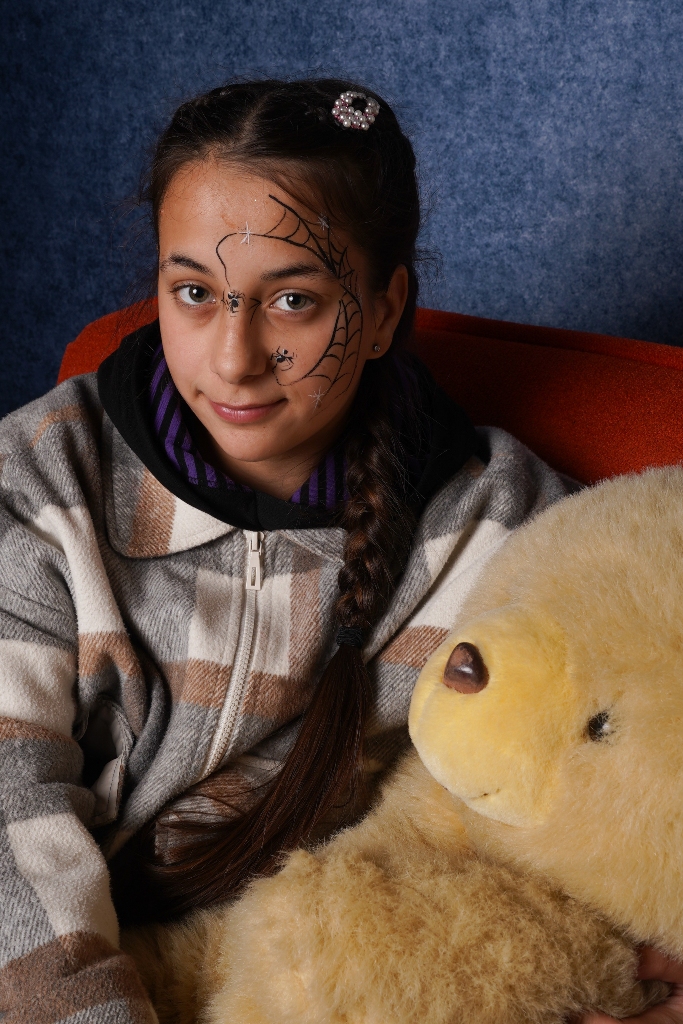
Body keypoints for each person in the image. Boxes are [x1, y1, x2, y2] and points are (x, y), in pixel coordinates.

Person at [0, 78, 678, 1024]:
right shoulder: (42, 480)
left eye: (293, 301)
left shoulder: (502, 525)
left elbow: (625, 752)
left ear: (384, 308)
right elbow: (12, 814)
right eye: (193, 293)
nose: (233, 358)